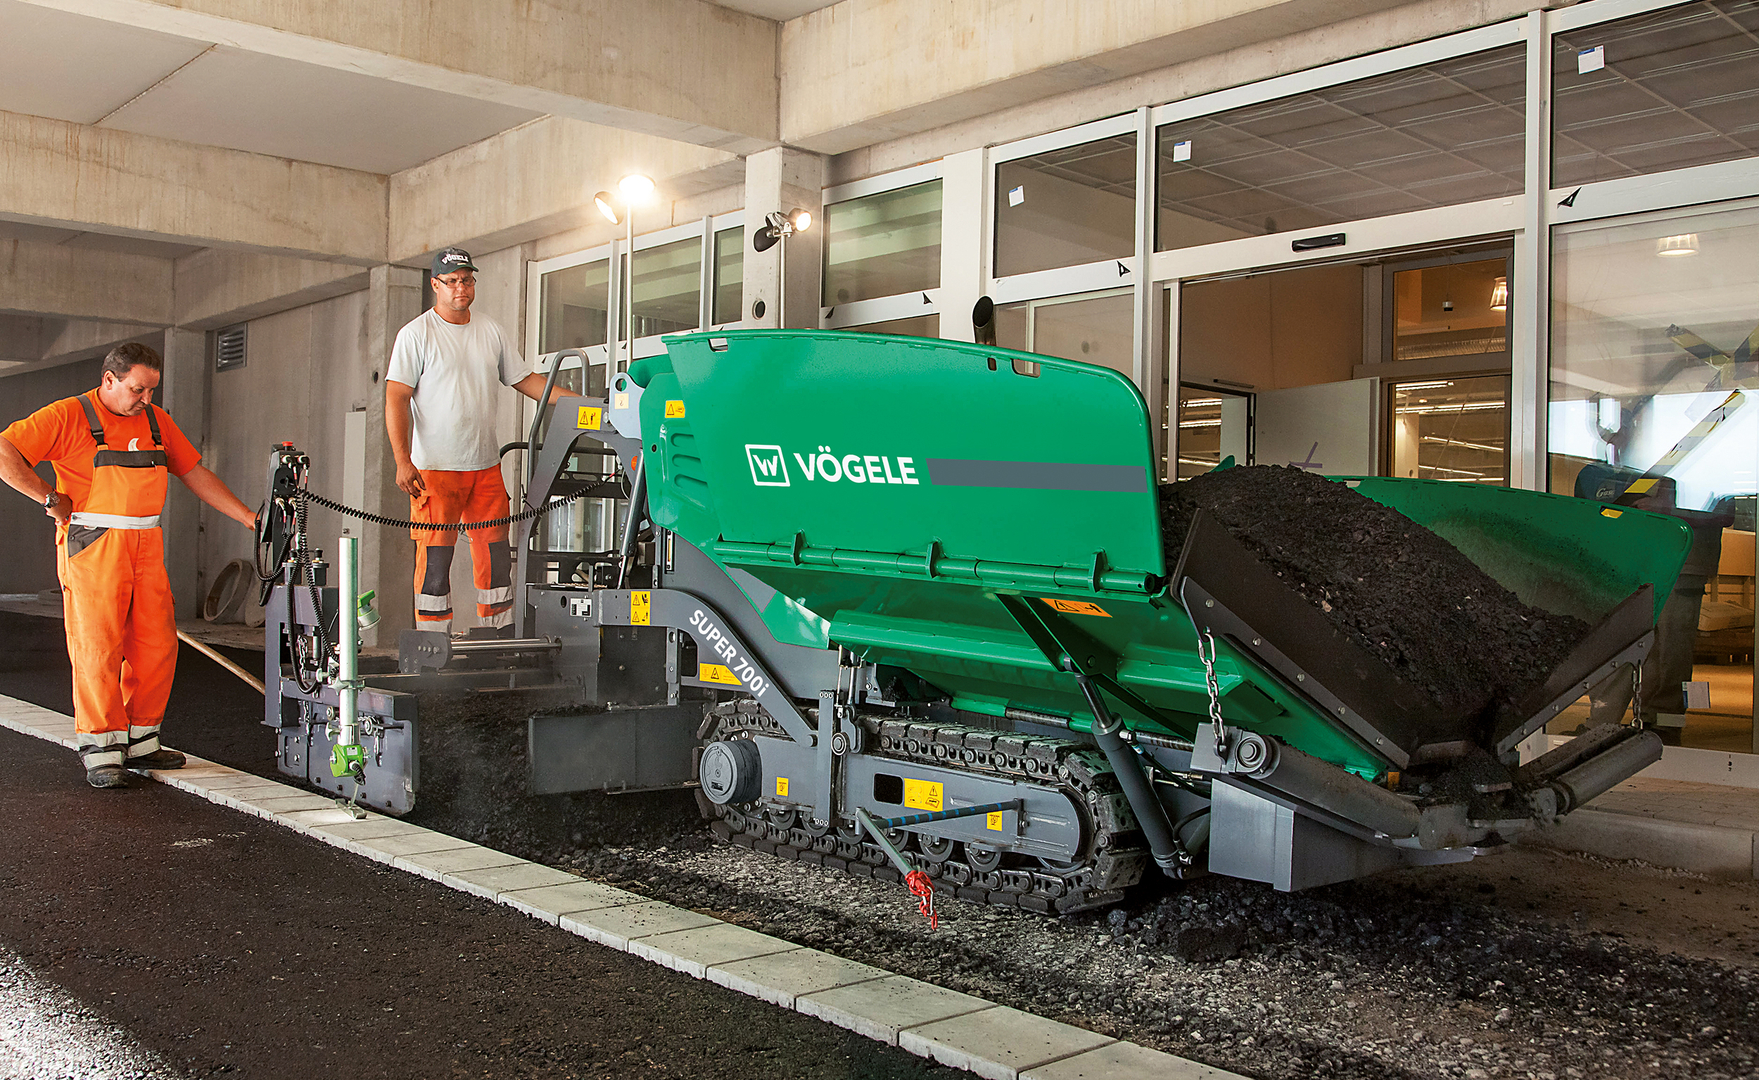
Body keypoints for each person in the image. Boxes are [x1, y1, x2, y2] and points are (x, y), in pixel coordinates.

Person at [0, 342, 257, 788]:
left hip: (145, 543)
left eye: (151, 391)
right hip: (93, 545)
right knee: (98, 645)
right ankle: (101, 748)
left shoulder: (157, 422)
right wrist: (48, 497)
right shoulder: (68, 416)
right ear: (109, 381)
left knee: (156, 645)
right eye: (138, 390)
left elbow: (194, 471)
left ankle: (141, 742)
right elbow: (5, 450)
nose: (146, 400)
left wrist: (250, 518)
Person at [386, 247, 577, 637]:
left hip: (485, 466)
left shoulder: (490, 330)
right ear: (435, 285)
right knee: (436, 558)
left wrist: (583, 403)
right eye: (453, 281)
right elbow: (396, 398)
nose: (461, 287)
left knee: (493, 555)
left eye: (467, 280)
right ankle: (432, 642)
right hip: (434, 470)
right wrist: (402, 460)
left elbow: (525, 380)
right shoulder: (416, 335)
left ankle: (498, 634)